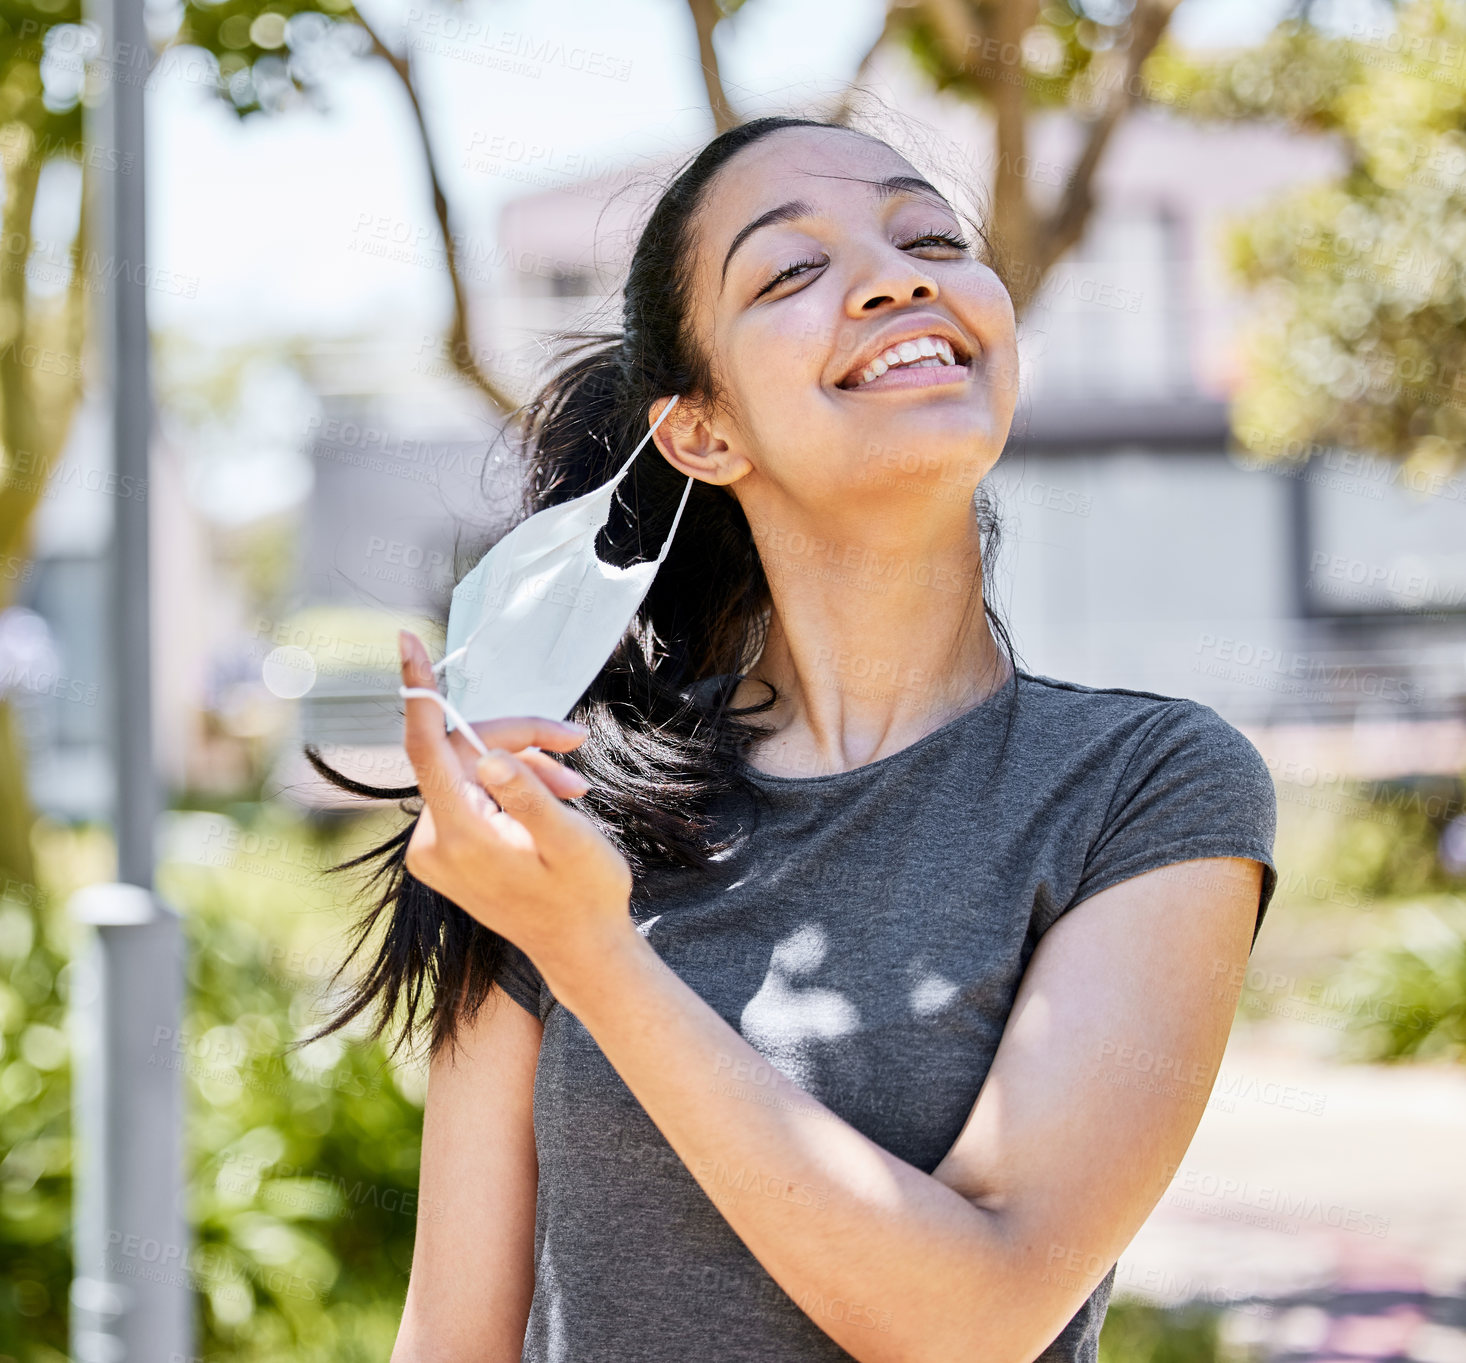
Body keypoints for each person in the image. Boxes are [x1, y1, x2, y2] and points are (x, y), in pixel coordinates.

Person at [303, 113, 1278, 1363]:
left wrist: (593, 953)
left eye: (927, 235)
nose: (899, 273)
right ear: (702, 432)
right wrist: (557, 919)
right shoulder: (556, 806)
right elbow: (453, 1338)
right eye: (789, 271)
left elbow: (969, 1321)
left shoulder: (1141, 791)